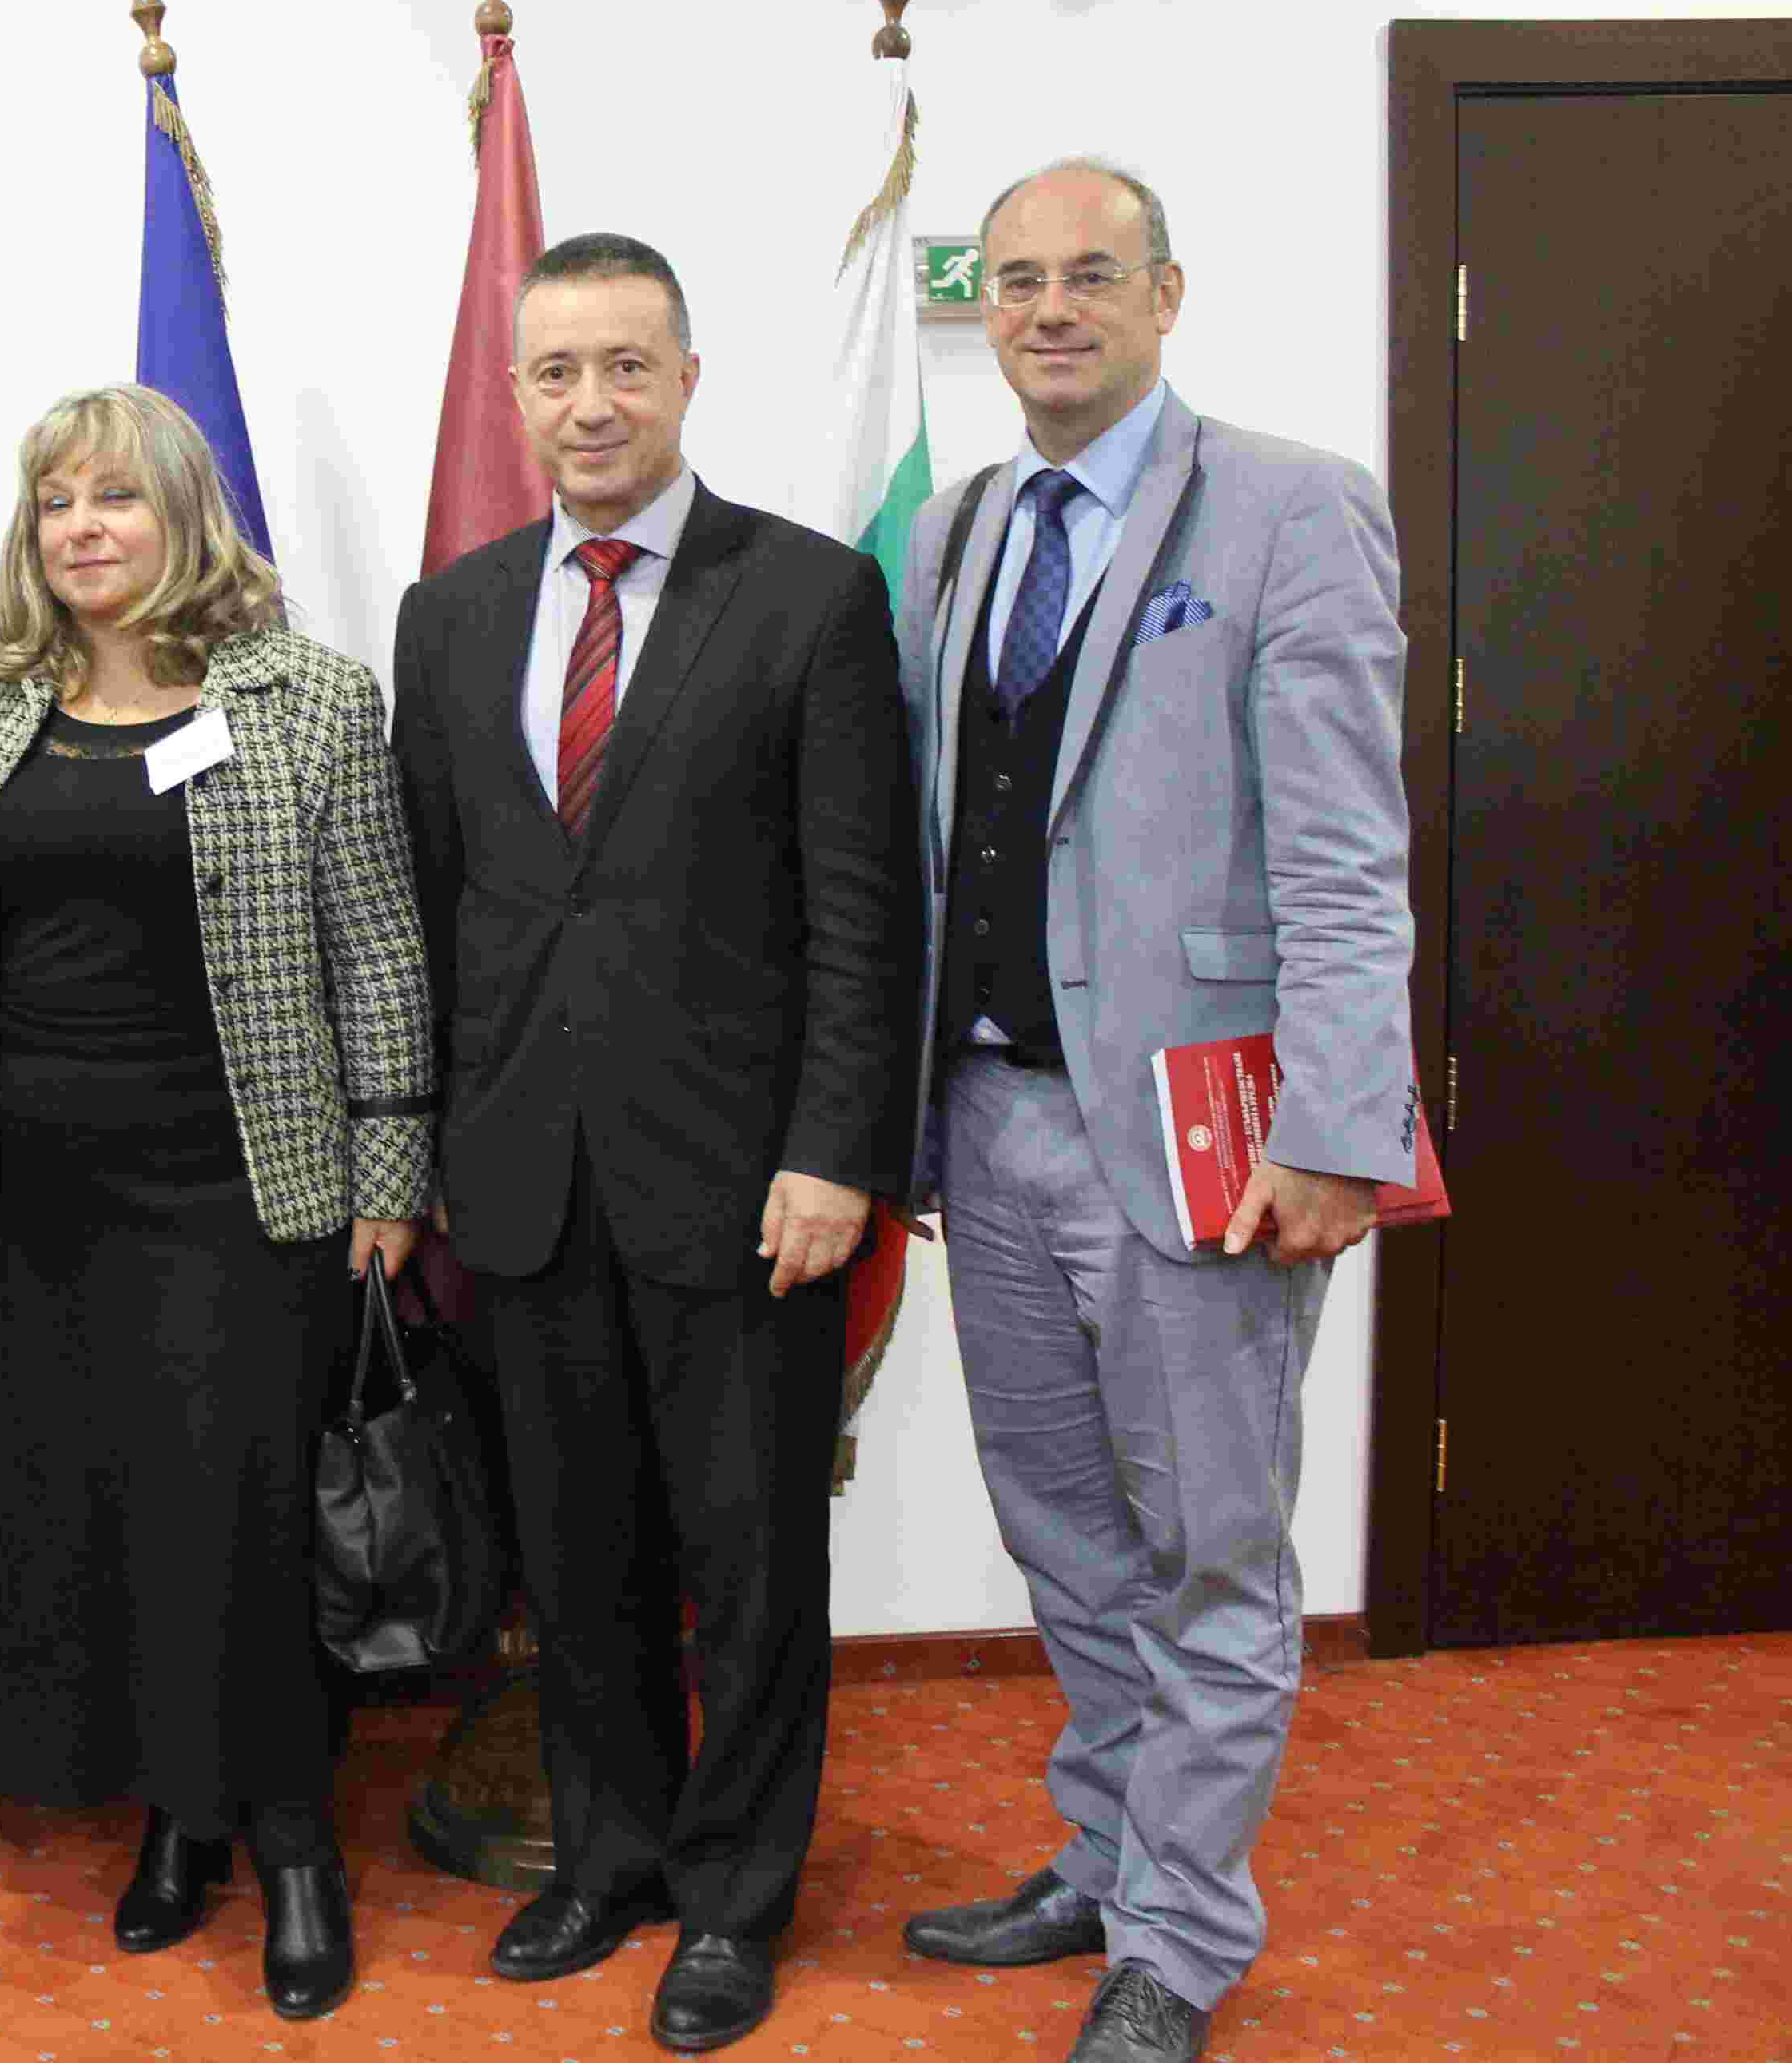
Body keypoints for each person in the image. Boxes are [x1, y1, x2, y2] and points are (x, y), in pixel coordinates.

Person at [890, 161, 1414, 2063]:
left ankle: (1180, 1936)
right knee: (1065, 1531)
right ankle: (1111, 1854)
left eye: (1093, 273)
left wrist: (1338, 1127)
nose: (1052, 306)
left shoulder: (1291, 507)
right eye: (1020, 277)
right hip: (988, 1116)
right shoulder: (957, 531)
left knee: (1209, 1549)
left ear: (1166, 295)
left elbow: (1348, 853)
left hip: (1207, 1134)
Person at [389, 233, 920, 2054]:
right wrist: (435, 1142)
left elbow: (864, 909)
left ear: (688, 378)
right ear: (516, 397)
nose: (593, 403)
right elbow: (442, 901)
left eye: (628, 365)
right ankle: (606, 1853)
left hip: (747, 1180)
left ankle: (733, 1898)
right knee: (577, 1553)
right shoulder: (450, 613)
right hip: (525, 1178)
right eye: (557, 371)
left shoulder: (811, 596)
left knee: (752, 1566)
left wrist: (837, 1150)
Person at [0, 382, 433, 2025]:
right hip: (37, 1200)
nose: (84, 528)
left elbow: (378, 947)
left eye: (119, 497)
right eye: (59, 500)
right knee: (101, 1520)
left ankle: (292, 1841)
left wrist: (390, 1168)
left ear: (185, 518)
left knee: (239, 1524)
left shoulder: (307, 697)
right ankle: (178, 1813)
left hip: (237, 1189)